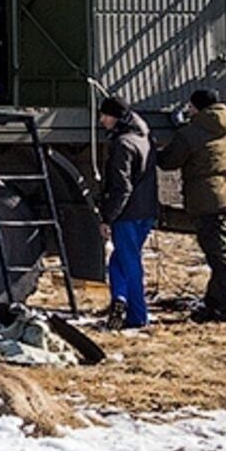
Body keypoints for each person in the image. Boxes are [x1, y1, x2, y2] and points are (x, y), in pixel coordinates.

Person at [159, 87, 226, 322]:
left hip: (208, 201)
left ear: (196, 107)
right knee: (225, 254)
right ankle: (214, 304)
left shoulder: (192, 132)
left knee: (220, 259)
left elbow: (168, 162)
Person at [96, 97, 158, 328]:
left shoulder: (122, 144)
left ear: (117, 117)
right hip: (146, 211)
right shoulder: (144, 139)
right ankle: (120, 299)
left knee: (129, 262)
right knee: (119, 260)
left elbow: (121, 187)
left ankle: (137, 316)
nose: (102, 120)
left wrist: (107, 217)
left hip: (128, 214)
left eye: (105, 115)